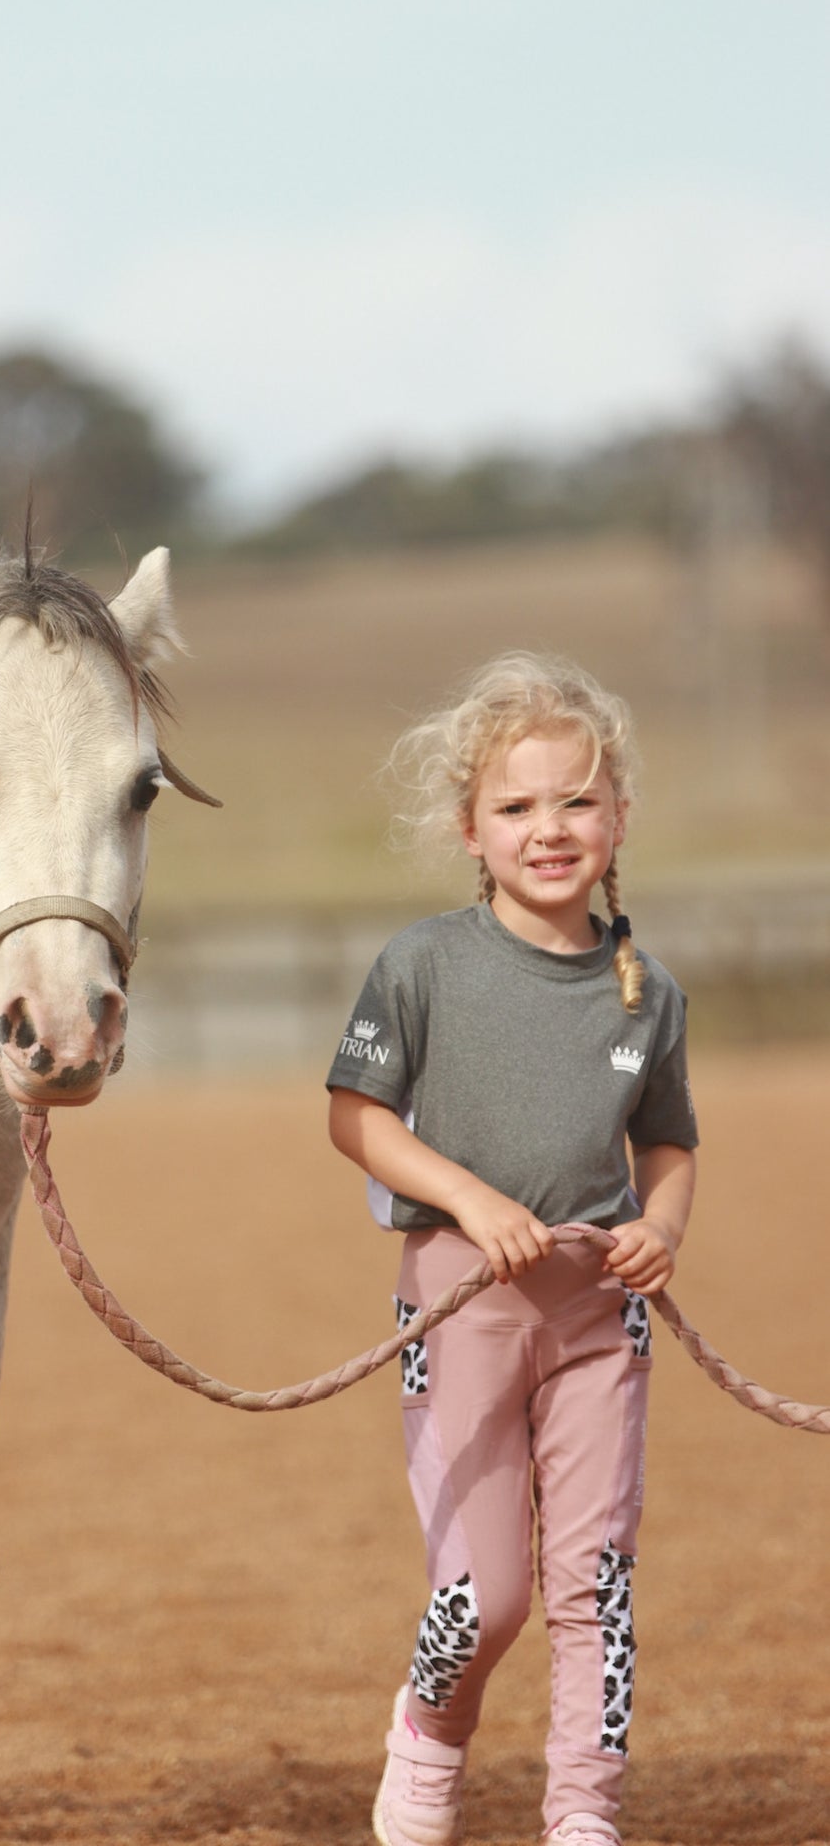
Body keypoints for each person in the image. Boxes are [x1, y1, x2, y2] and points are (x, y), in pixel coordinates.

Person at [327, 653, 697, 1846]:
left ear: (617, 816)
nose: (550, 828)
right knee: (481, 1595)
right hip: (458, 1309)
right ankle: (426, 1744)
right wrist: (467, 1200)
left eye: (576, 799)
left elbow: (668, 1143)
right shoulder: (422, 964)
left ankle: (583, 1813)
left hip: (599, 1321)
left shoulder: (652, 997)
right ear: (468, 829)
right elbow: (355, 1116)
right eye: (516, 806)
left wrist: (659, 1224)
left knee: (595, 1586)